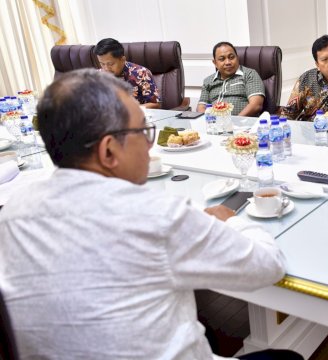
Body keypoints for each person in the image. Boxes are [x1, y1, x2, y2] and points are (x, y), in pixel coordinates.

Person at [0, 69, 302, 360]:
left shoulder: (15, 210)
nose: (149, 144)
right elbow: (268, 266)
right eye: (143, 132)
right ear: (108, 151)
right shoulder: (157, 216)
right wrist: (231, 220)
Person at [196, 42, 265, 116]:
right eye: (222, 59)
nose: (228, 62)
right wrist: (209, 122)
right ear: (215, 63)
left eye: (231, 57)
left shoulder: (249, 74)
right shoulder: (208, 81)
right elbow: (201, 107)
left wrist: (235, 122)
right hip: (213, 124)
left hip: (241, 124)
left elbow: (256, 105)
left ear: (237, 58)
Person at [95, 38, 161, 109]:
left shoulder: (141, 73)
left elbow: (155, 104)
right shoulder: (97, 76)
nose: (106, 69)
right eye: (102, 64)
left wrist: (130, 111)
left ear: (122, 59)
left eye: (110, 64)